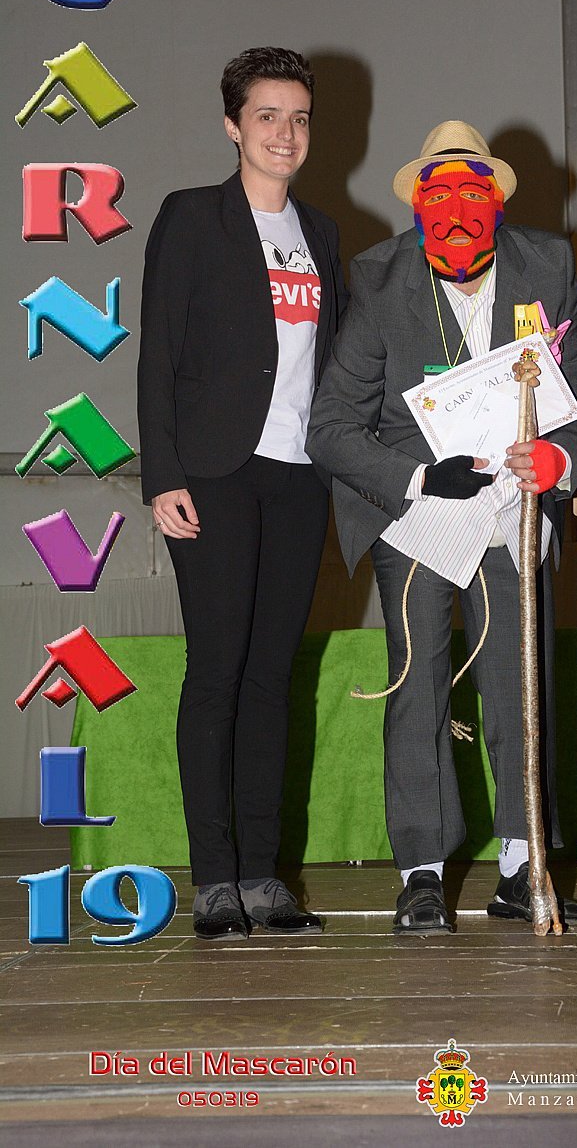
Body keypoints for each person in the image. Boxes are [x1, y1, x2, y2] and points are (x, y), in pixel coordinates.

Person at [306, 120, 577, 934]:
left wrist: (560, 460)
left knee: (518, 683)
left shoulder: (547, 268)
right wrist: (414, 479)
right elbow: (330, 427)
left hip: (511, 508)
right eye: (438, 201)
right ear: (415, 211)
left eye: (474, 197)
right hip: (418, 514)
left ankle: (520, 866)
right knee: (418, 686)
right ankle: (422, 875)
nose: (457, 216)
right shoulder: (379, 281)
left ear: (499, 204)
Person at [137, 47, 346, 940]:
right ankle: (213, 879)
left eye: (298, 118)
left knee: (271, 678)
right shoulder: (192, 217)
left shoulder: (323, 232)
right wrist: (162, 474)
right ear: (232, 125)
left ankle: (264, 876)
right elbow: (158, 351)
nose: (284, 133)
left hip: (299, 479)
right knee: (216, 672)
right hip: (215, 475)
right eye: (266, 116)